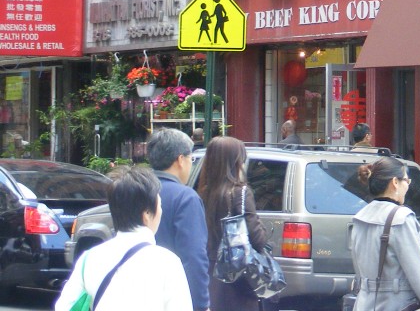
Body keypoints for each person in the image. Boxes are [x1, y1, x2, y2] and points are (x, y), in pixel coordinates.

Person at [56, 166, 191, 311]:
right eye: (160, 206)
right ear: (146, 213)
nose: (161, 211)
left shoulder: (89, 259)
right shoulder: (167, 262)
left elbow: (64, 307)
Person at [350, 157, 420, 311]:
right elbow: (419, 273)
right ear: (395, 182)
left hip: (365, 304)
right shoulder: (401, 218)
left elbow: (359, 272)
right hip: (397, 304)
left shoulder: (360, 218)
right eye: (406, 180)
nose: (408, 185)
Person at [198, 136, 269, 311]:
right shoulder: (240, 192)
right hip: (238, 277)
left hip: (210, 274)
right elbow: (257, 239)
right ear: (235, 162)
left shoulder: (202, 193)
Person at [148, 129, 211, 311]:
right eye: (191, 159)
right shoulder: (185, 197)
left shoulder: (136, 191)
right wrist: (201, 304)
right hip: (174, 297)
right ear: (180, 160)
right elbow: (194, 257)